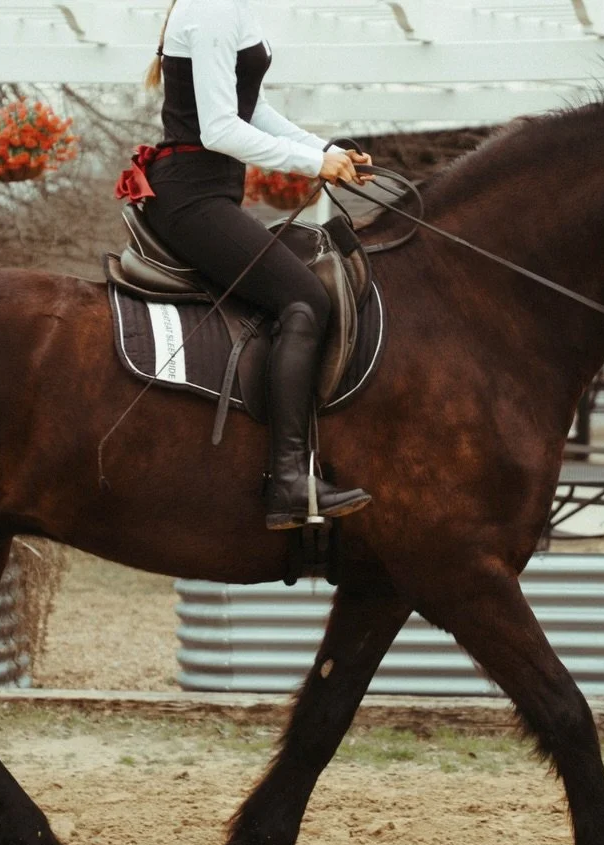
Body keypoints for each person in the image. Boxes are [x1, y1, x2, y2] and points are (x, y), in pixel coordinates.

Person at [132, 0, 372, 531]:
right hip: (192, 198)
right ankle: (286, 480)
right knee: (304, 298)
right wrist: (313, 163)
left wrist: (325, 148)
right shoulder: (213, 10)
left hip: (212, 191)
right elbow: (220, 130)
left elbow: (252, 111)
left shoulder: (231, 8)